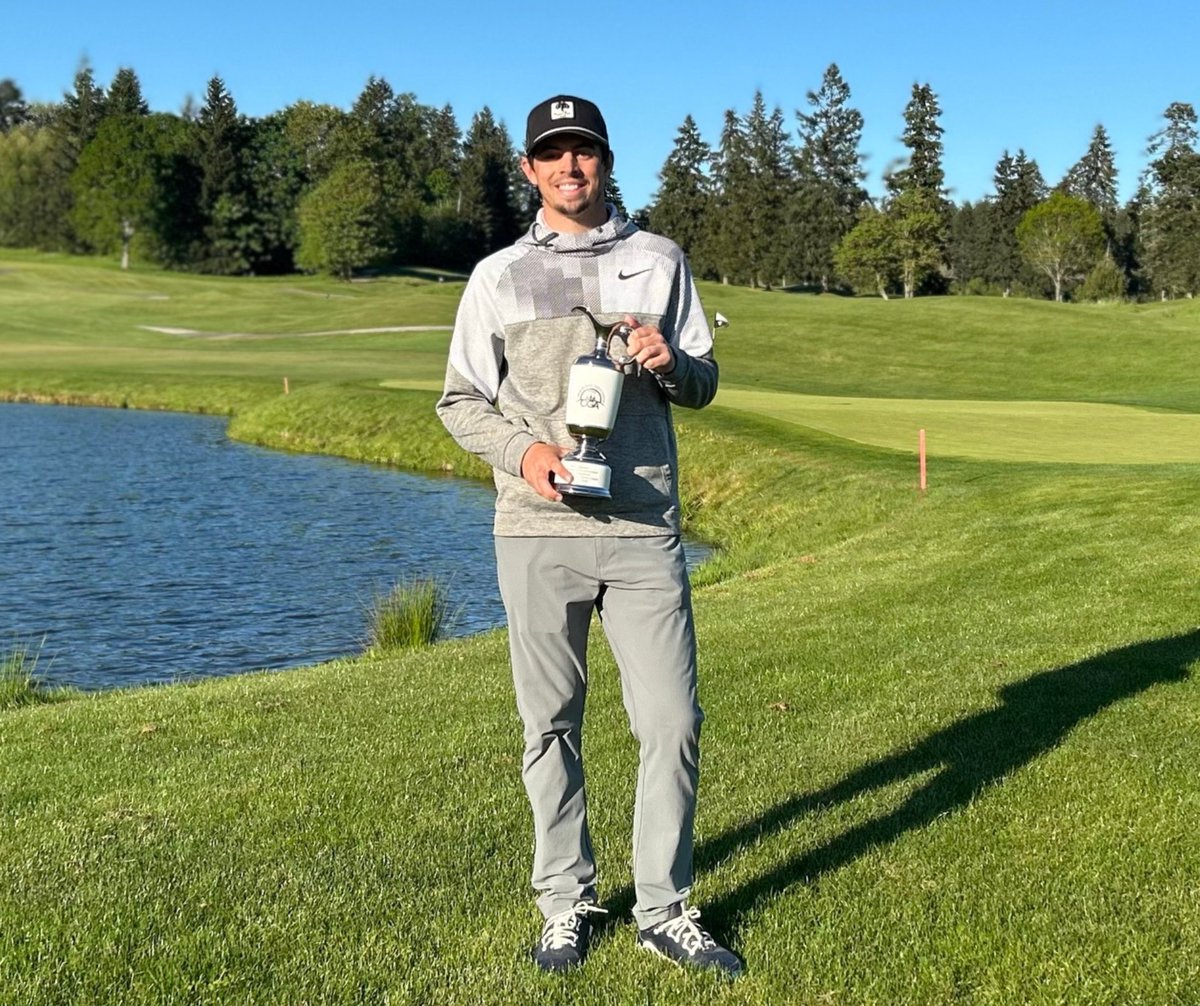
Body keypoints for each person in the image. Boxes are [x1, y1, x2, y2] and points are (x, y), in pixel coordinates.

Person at [436, 95, 740, 978]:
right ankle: (566, 901)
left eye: (586, 153)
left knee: (672, 721)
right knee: (549, 724)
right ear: (529, 171)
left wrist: (671, 363)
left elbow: (703, 382)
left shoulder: (659, 261)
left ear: (607, 162)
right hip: (536, 530)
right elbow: (460, 402)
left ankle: (665, 908)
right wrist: (525, 453)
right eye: (553, 155)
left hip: (643, 524)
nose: (571, 168)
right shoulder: (496, 275)